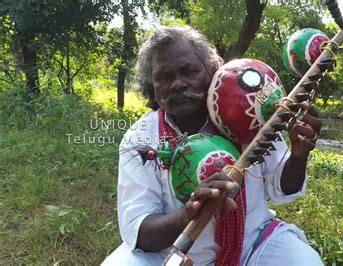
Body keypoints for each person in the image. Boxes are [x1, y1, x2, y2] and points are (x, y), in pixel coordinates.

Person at [102, 26, 324, 266]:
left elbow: (282, 190)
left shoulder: (250, 114)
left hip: (251, 244)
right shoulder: (142, 137)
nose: (177, 84)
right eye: (164, 77)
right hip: (170, 252)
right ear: (152, 88)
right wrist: (188, 214)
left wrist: (299, 156)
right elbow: (139, 230)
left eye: (189, 71)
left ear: (212, 72)